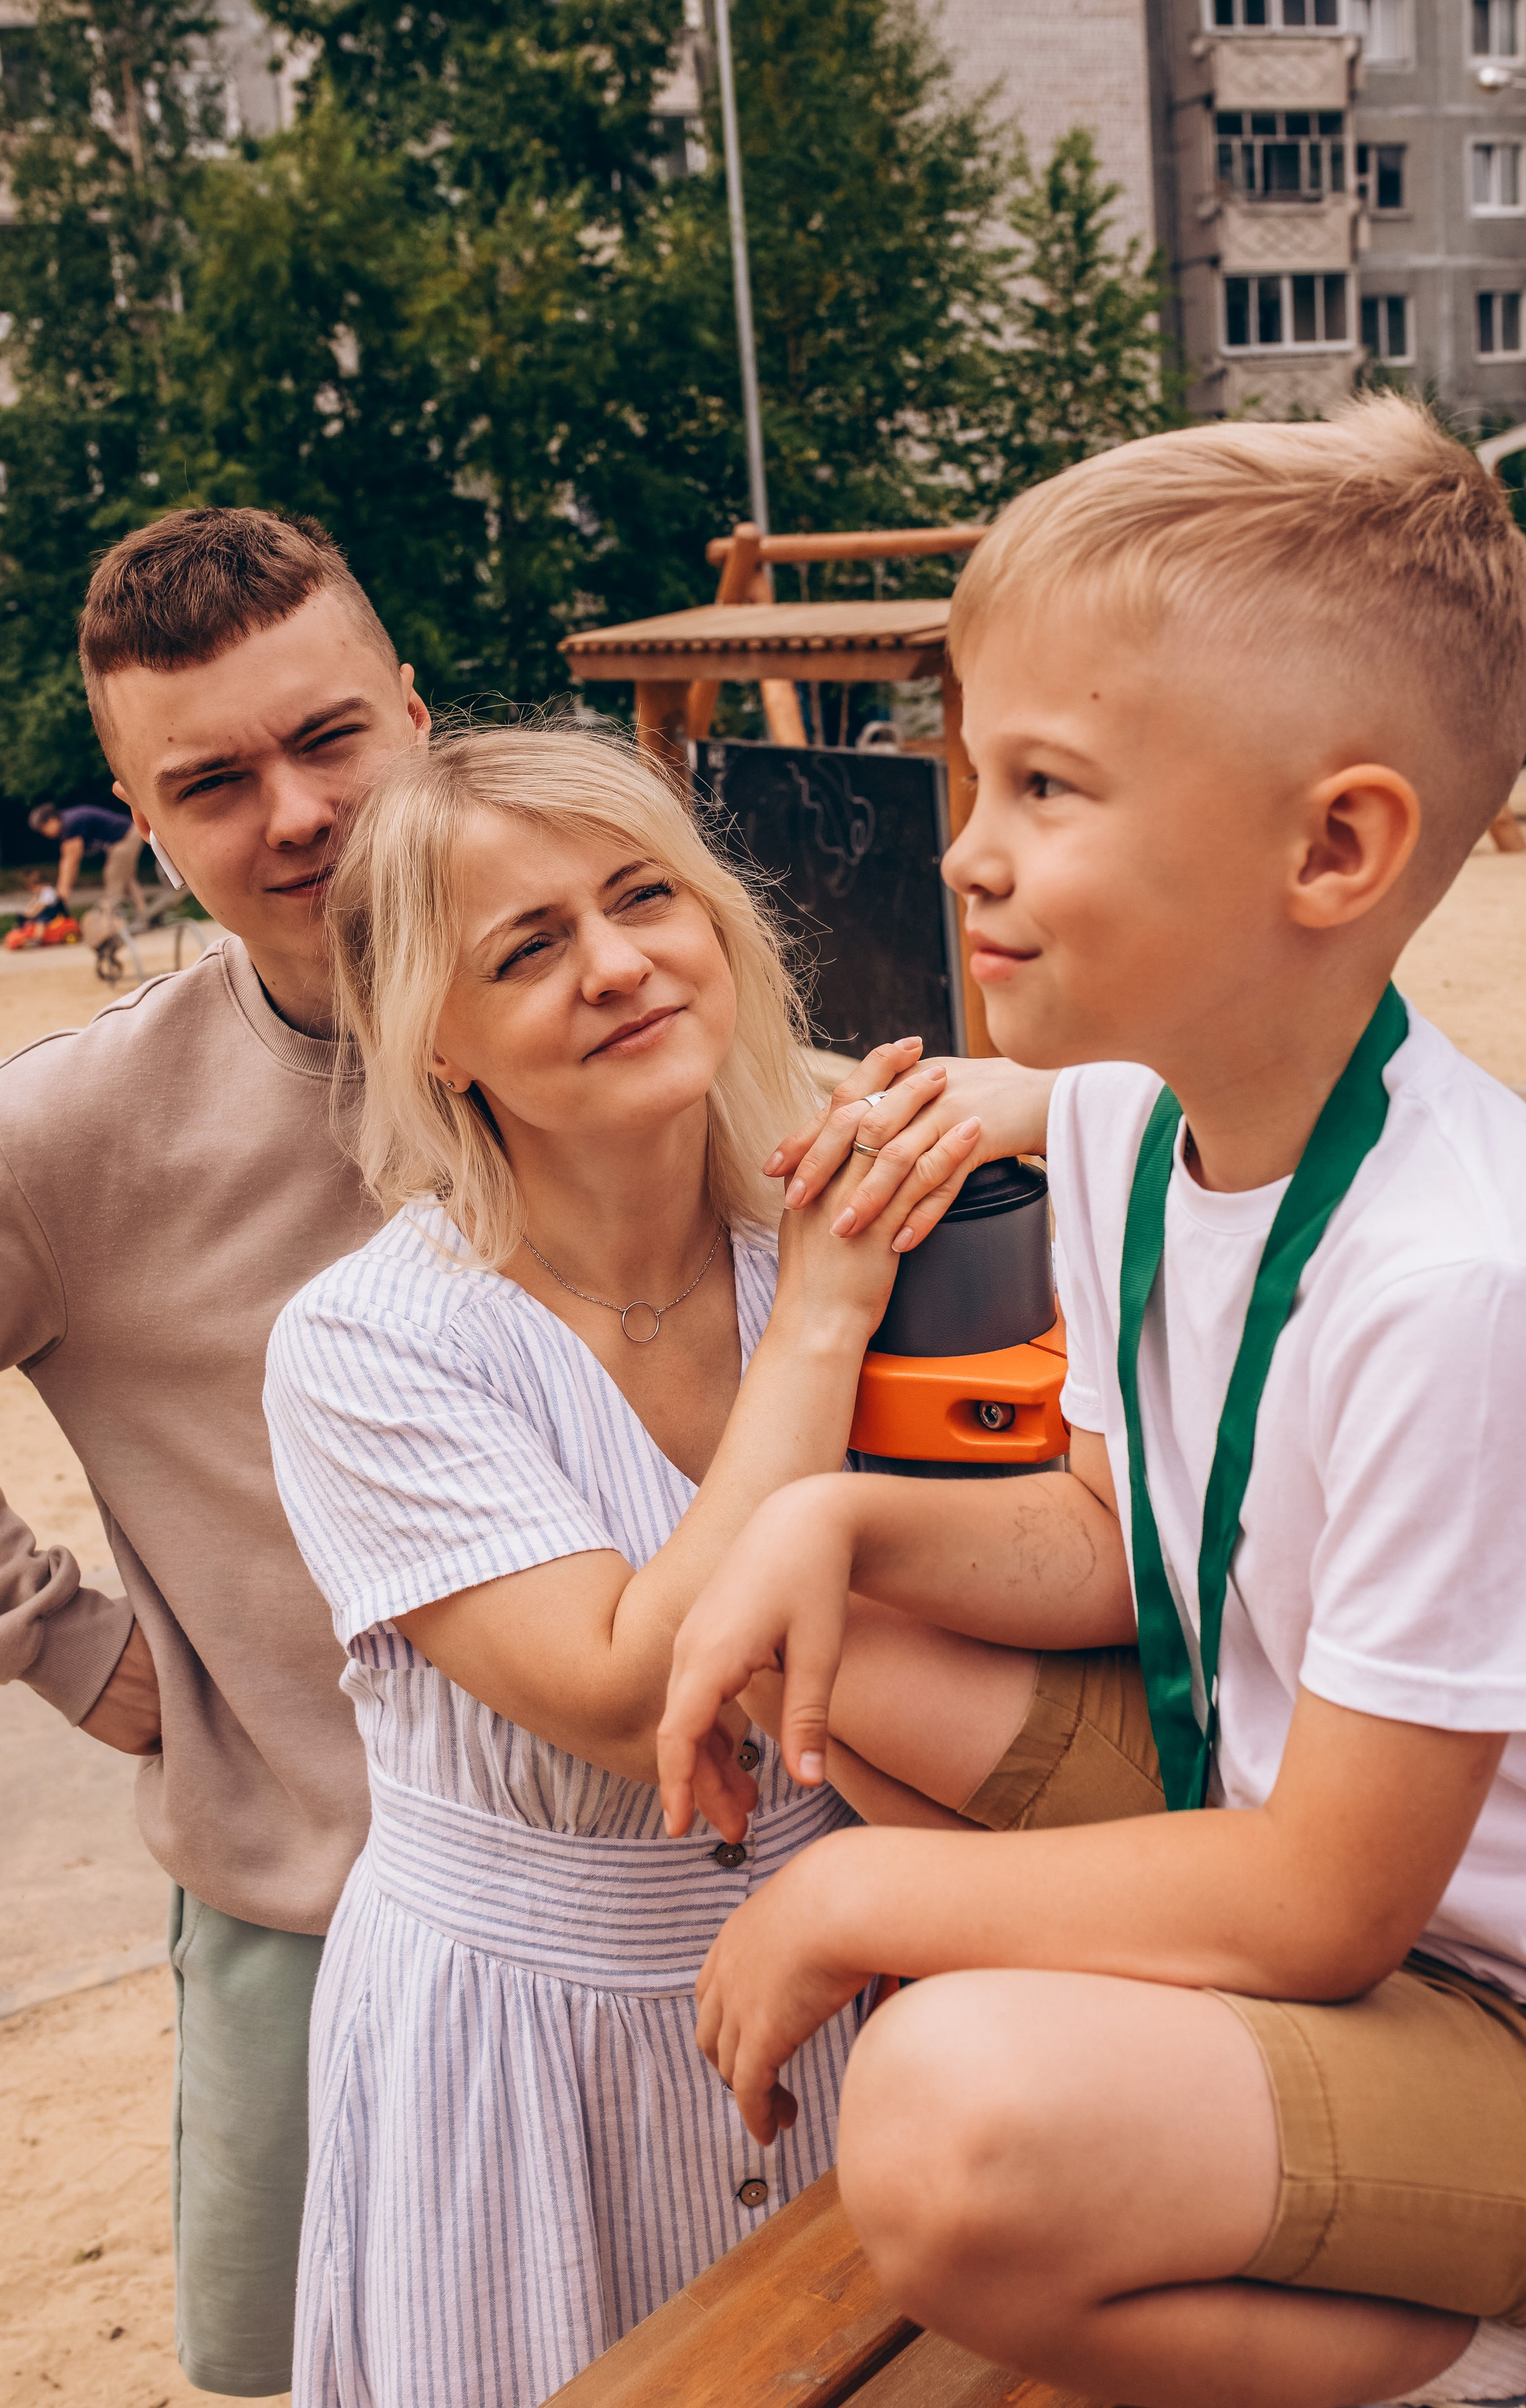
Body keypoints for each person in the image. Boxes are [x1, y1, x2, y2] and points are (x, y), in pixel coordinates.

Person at [0, 504, 1047, 2398]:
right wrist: (85, 1652)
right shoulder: (82, 1137)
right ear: (139, 810)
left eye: (329, 740)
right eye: (212, 783)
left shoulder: (741, 1124)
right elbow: (630, 1679)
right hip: (358, 1877)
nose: (292, 813)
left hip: (796, 1886)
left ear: (414, 712)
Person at [659, 398, 1526, 2408]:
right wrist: (832, 1525)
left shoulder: (1466, 1282)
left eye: (1046, 782)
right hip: (1327, 1880)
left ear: (1333, 847)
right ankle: (1196, 2122)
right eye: (972, 769)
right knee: (833, 1641)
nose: (966, 843)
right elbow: (1125, 1541)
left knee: (950, 2126)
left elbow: (1323, 1900)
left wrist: (870, 1891)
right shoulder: (1142, 1123)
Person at [257, 726, 991, 2408]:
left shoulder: (854, 1212)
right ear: (432, 1039)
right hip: (522, 2061)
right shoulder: (369, 1346)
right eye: (525, 947)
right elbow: (627, 1692)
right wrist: (816, 1325)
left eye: (641, 895)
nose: (615, 965)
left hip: (858, 2000)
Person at [29, 795, 148, 918]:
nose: (45, 834)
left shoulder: (71, 823)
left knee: (113, 876)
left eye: (43, 830)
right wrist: (62, 891)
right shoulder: (66, 826)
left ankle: (110, 919)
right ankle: (143, 912)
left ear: (51, 820)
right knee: (125, 877)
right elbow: (66, 860)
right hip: (122, 838)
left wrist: (63, 893)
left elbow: (71, 861)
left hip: (125, 837)